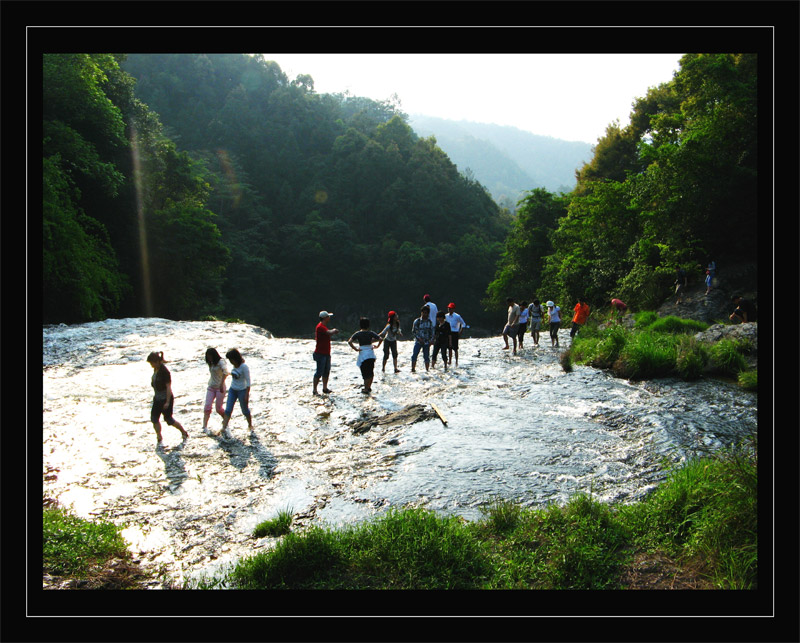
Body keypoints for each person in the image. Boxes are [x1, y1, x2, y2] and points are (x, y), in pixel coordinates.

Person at [146, 351, 188, 445]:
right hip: (157, 398)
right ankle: (159, 437)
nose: (151, 365)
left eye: (152, 363)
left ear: (157, 361)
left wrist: (168, 402)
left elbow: (168, 387)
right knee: (154, 418)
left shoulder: (164, 371)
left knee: (169, 419)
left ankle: (183, 432)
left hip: (165, 398)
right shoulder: (156, 369)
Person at [221, 349, 252, 438]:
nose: (231, 362)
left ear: (236, 358)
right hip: (232, 389)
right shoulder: (234, 366)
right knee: (228, 409)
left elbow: (248, 381)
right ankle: (223, 428)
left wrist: (247, 394)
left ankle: (250, 425)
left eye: (231, 359)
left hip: (242, 390)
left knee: (245, 410)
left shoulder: (244, 367)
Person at [348, 317, 383, 394]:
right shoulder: (371, 333)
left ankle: (366, 388)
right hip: (371, 354)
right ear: (368, 325)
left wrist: (355, 349)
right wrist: (377, 346)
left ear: (360, 325)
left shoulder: (357, 334)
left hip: (363, 354)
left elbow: (349, 341)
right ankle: (369, 387)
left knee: (364, 372)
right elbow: (380, 338)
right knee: (370, 371)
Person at [202, 348, 229, 433]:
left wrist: (221, 384)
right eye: (207, 357)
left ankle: (226, 421)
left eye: (210, 356)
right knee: (207, 407)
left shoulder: (221, 362)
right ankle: (204, 427)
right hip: (211, 387)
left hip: (220, 388)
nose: (209, 358)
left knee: (218, 409)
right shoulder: (211, 363)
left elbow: (226, 372)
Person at [313, 311, 339, 395]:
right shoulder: (320, 327)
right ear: (325, 318)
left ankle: (324, 388)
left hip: (326, 353)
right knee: (319, 372)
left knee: (326, 371)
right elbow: (329, 333)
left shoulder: (323, 326)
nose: (329, 318)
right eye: (328, 316)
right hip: (320, 353)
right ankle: (315, 390)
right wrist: (334, 330)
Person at [411, 305, 434, 373]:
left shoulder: (429, 322)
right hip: (418, 342)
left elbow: (432, 332)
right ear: (421, 313)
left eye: (426, 313)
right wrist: (418, 338)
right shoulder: (417, 321)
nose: (424, 314)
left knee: (426, 357)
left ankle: (427, 370)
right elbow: (414, 331)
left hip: (426, 342)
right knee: (414, 355)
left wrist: (430, 341)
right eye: (423, 312)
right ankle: (413, 369)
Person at [445, 303, 467, 367]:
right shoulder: (446, 316)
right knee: (449, 348)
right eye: (448, 308)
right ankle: (450, 361)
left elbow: (463, 324)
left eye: (451, 308)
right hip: (448, 333)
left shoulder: (457, 316)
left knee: (455, 348)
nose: (449, 309)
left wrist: (460, 332)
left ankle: (456, 361)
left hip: (455, 333)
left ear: (453, 309)